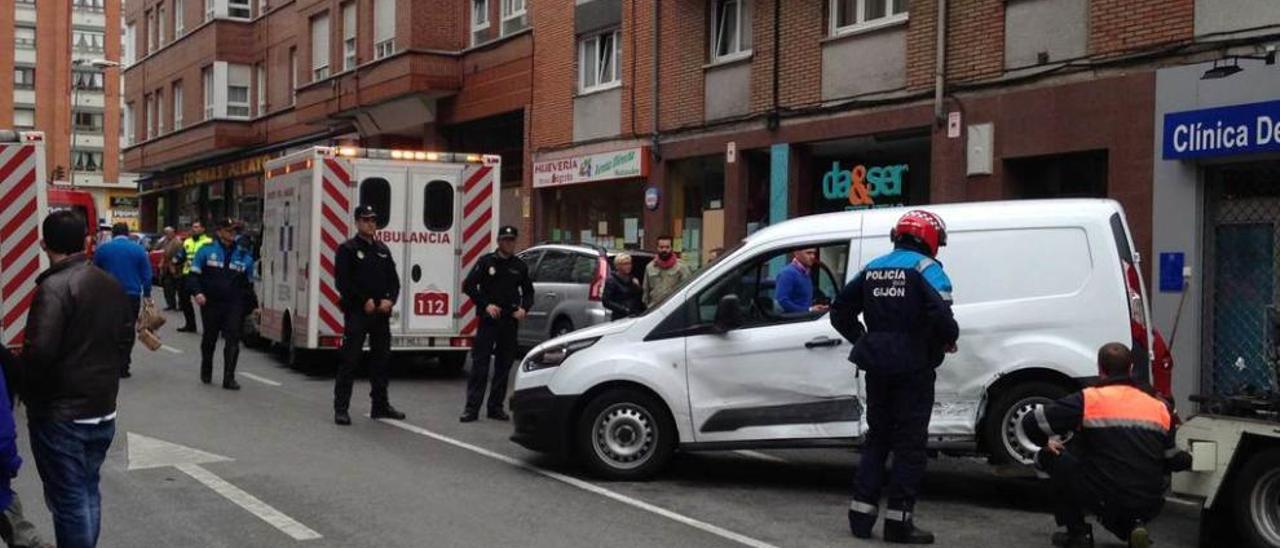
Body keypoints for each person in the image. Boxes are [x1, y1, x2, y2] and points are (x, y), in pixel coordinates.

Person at [830, 210, 959, 544]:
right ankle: (899, 522)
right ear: (929, 239)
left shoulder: (873, 268)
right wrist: (945, 340)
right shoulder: (927, 270)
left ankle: (860, 516)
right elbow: (942, 317)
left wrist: (863, 339)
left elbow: (840, 309)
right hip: (913, 366)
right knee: (910, 445)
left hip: (877, 365)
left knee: (878, 437)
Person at [22, 209, 130, 548]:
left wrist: (24, 389)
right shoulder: (109, 283)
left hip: (62, 415)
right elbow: (123, 341)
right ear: (86, 241)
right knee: (86, 491)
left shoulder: (53, 289)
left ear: (43, 244)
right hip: (102, 408)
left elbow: (39, 354)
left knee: (69, 501)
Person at [1021, 343, 1192, 548]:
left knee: (1047, 457)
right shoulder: (1158, 407)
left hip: (1101, 495)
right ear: (1130, 369)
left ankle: (1078, 533)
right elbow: (1173, 460)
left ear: (1100, 369)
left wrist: (1045, 443)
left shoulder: (1088, 399)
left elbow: (1031, 422)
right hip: (1149, 501)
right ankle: (1134, 526)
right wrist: (1190, 458)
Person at [333, 206, 405, 426]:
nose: (371, 224)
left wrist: (390, 299)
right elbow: (343, 282)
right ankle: (341, 408)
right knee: (350, 360)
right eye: (365, 220)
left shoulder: (382, 249)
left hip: (380, 314)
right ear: (357, 222)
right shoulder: (348, 249)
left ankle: (380, 405)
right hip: (358, 312)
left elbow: (394, 281)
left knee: (381, 360)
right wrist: (363, 300)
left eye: (374, 220)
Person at [460, 225, 534, 423]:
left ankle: (495, 407)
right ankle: (472, 408)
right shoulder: (486, 262)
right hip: (489, 320)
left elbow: (528, 292)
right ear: (499, 241)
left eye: (512, 240)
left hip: (509, 321)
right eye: (505, 240)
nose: (509, 243)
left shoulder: (519, 266)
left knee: (504, 365)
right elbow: (468, 286)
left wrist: (524, 309)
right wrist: (485, 305)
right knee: (480, 365)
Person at [189, 219, 257, 390]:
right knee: (209, 339)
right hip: (211, 303)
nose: (232, 234)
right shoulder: (206, 251)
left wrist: (254, 306)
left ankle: (229, 378)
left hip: (234, 304)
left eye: (235, 231)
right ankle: (207, 369)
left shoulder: (244, 256)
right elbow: (193, 276)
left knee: (233, 338)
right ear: (219, 232)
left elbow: (248, 285)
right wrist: (198, 293)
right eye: (229, 231)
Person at [92, 223, 153, 379]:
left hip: (108, 295)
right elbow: (147, 275)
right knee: (127, 329)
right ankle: (123, 365)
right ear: (128, 233)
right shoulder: (139, 250)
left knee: (109, 328)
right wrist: (147, 294)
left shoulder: (103, 249)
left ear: (113, 234)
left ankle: (109, 363)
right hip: (131, 295)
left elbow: (93, 272)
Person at [177, 221, 212, 332]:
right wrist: (174, 261)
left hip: (202, 276)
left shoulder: (208, 242)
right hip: (187, 274)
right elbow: (182, 256)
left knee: (204, 302)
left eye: (197, 227)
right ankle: (190, 324)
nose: (194, 229)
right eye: (193, 227)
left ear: (203, 229)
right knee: (184, 301)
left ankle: (209, 326)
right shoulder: (187, 241)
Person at [642, 235, 693, 307]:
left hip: (674, 309)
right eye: (661, 247)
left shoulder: (681, 267)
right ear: (657, 248)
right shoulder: (650, 267)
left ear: (671, 248)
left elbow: (688, 290)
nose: (664, 250)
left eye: (667, 247)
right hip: (655, 309)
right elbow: (646, 291)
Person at [776, 248, 829, 314]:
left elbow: (803, 300)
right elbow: (783, 300)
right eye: (808, 253)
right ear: (796, 253)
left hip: (805, 318)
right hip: (794, 321)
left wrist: (814, 308)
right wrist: (809, 310)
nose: (813, 256)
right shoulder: (787, 273)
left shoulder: (805, 272)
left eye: (814, 253)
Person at [603, 253, 645, 320]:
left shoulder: (632, 279)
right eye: (625, 264)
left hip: (634, 315)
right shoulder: (612, 281)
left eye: (629, 263)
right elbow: (606, 301)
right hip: (620, 316)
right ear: (618, 266)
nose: (628, 266)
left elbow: (639, 296)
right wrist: (624, 309)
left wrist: (638, 286)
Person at [159, 226, 183, 310]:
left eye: (168, 233)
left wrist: (173, 263)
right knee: (167, 286)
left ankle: (181, 305)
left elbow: (180, 255)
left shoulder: (178, 242)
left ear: (172, 233)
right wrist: (161, 262)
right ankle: (170, 304)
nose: (166, 235)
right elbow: (163, 253)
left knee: (179, 287)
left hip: (176, 267)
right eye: (165, 233)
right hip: (167, 268)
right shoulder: (165, 242)